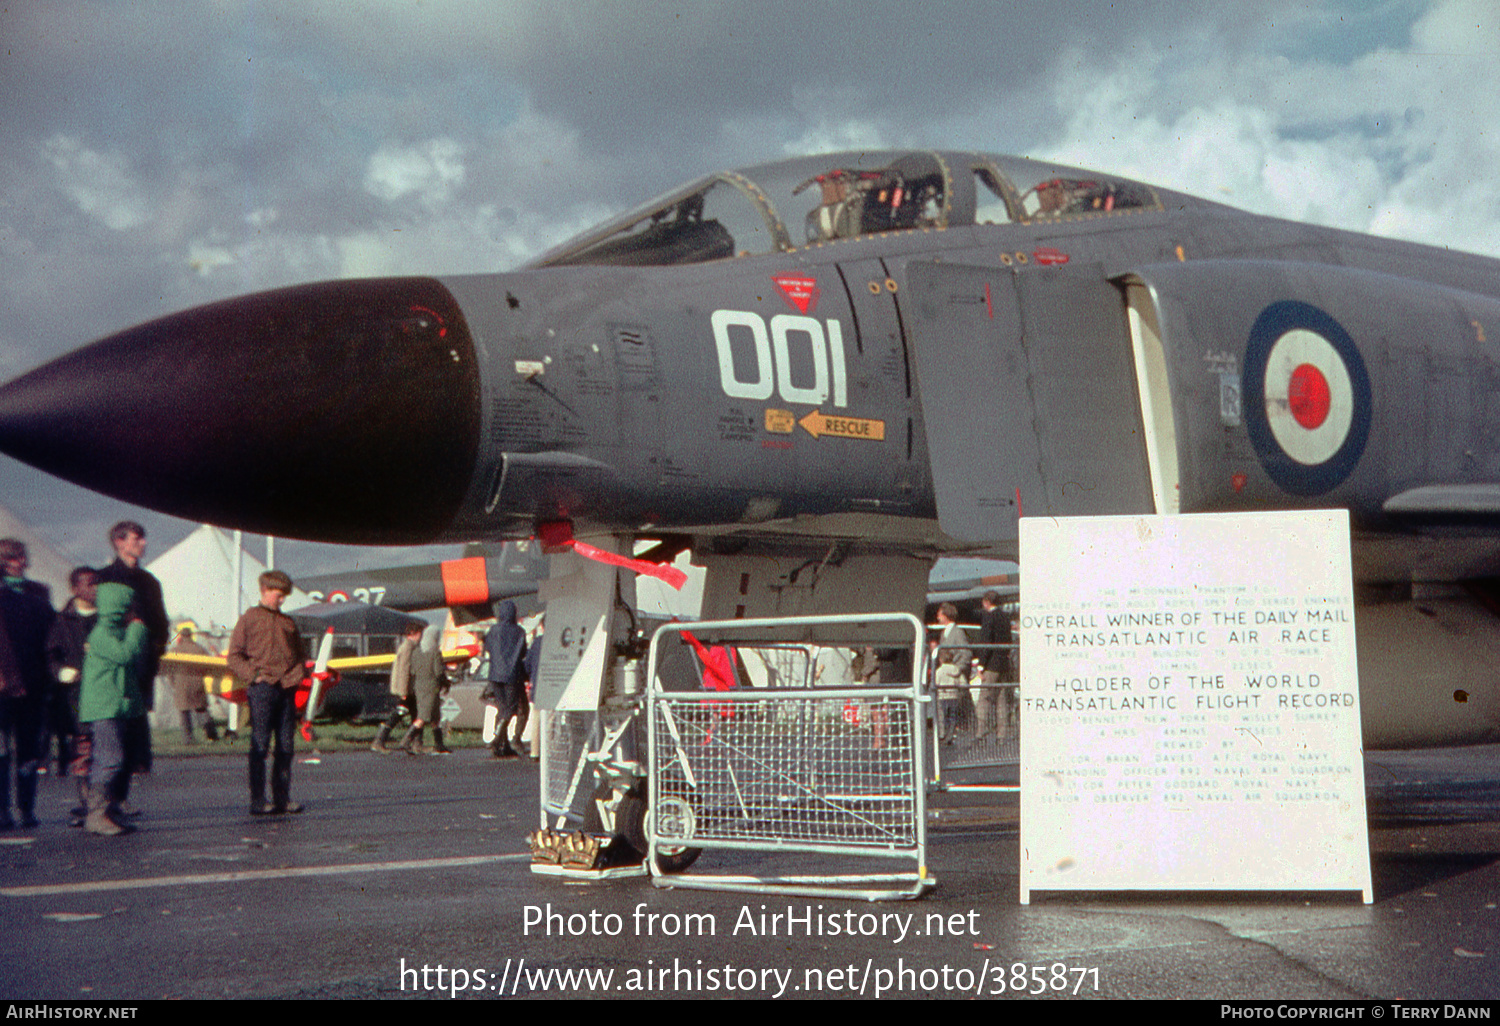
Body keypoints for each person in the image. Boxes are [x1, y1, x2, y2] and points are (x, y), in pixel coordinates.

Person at [228, 570, 307, 815]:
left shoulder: (288, 623)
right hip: (262, 689)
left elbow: (299, 654)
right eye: (278, 594)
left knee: (286, 746)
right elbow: (234, 655)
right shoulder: (249, 618)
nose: (282, 599)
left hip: (286, 690)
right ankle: (259, 800)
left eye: (284, 595)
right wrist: (254, 676)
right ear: (264, 590)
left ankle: (282, 798)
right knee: (260, 744)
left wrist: (296, 676)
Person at [95, 521, 168, 781]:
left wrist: (153, 653)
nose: (143, 543)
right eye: (136, 538)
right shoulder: (102, 578)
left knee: (134, 734)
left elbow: (160, 624)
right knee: (112, 734)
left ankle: (120, 799)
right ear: (119, 542)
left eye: (143, 538)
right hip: (112, 666)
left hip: (140, 666)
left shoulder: (150, 582)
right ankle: (102, 802)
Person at [77, 581, 148, 836]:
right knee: (110, 759)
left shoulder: (114, 632)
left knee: (116, 758)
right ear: (117, 609)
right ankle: (96, 814)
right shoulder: (102, 636)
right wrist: (138, 631)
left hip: (115, 706)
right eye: (129, 608)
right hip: (104, 708)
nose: (133, 613)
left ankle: (109, 811)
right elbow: (125, 655)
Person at [0, 540, 55, 830]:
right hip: (3, 687)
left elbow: (51, 636)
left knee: (29, 751)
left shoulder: (39, 593)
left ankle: (27, 808)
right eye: (9, 557)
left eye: (20, 556)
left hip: (34, 684)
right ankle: (2, 810)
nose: (17, 561)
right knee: (0, 751)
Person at [46, 567, 97, 826]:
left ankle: (107, 804)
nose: (94, 588)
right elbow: (50, 655)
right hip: (75, 697)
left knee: (107, 752)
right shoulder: (62, 620)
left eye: (97, 583)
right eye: (88, 584)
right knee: (82, 749)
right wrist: (61, 672)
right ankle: (87, 803)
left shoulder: (106, 618)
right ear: (75, 588)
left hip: (103, 694)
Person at [481, 600, 528, 759]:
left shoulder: (493, 630)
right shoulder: (520, 632)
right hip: (512, 674)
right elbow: (522, 653)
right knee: (510, 708)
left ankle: (503, 744)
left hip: (494, 674)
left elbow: (487, 648)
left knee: (502, 707)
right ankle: (497, 738)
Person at [371, 622, 422, 754]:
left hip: (410, 689)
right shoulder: (408, 647)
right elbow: (404, 669)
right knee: (399, 713)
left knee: (416, 714)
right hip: (406, 689)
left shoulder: (411, 646)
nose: (421, 636)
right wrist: (404, 691)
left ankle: (417, 744)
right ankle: (379, 741)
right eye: (419, 633)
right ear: (413, 633)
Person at [168, 624, 219, 744]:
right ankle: (211, 735)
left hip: (181, 686)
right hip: (197, 684)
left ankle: (188, 739)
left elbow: (169, 671)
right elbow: (209, 666)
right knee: (202, 711)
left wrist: (174, 684)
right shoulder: (199, 649)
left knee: (184, 714)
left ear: (181, 636)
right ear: (191, 636)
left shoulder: (175, 650)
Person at [974, 590, 1013, 741]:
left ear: (987, 601)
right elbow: (1008, 640)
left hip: (991, 664)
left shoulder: (988, 617)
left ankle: (980, 732)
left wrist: (980, 665)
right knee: (1002, 700)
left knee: (984, 698)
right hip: (1003, 664)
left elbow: (986, 642)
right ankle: (1001, 735)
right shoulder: (1005, 617)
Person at [932, 602, 972, 743]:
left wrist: (957, 670)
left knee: (954, 709)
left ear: (946, 615)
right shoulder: (944, 633)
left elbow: (966, 653)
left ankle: (952, 735)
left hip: (953, 679)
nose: (937, 617)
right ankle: (946, 735)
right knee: (945, 709)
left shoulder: (958, 632)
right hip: (946, 681)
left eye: (939, 614)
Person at [409, 625, 450, 755]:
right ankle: (406, 741)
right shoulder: (435, 653)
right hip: (432, 688)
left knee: (434, 718)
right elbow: (438, 672)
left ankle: (439, 744)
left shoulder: (416, 652)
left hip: (419, 687)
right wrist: (446, 683)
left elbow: (412, 670)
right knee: (424, 717)